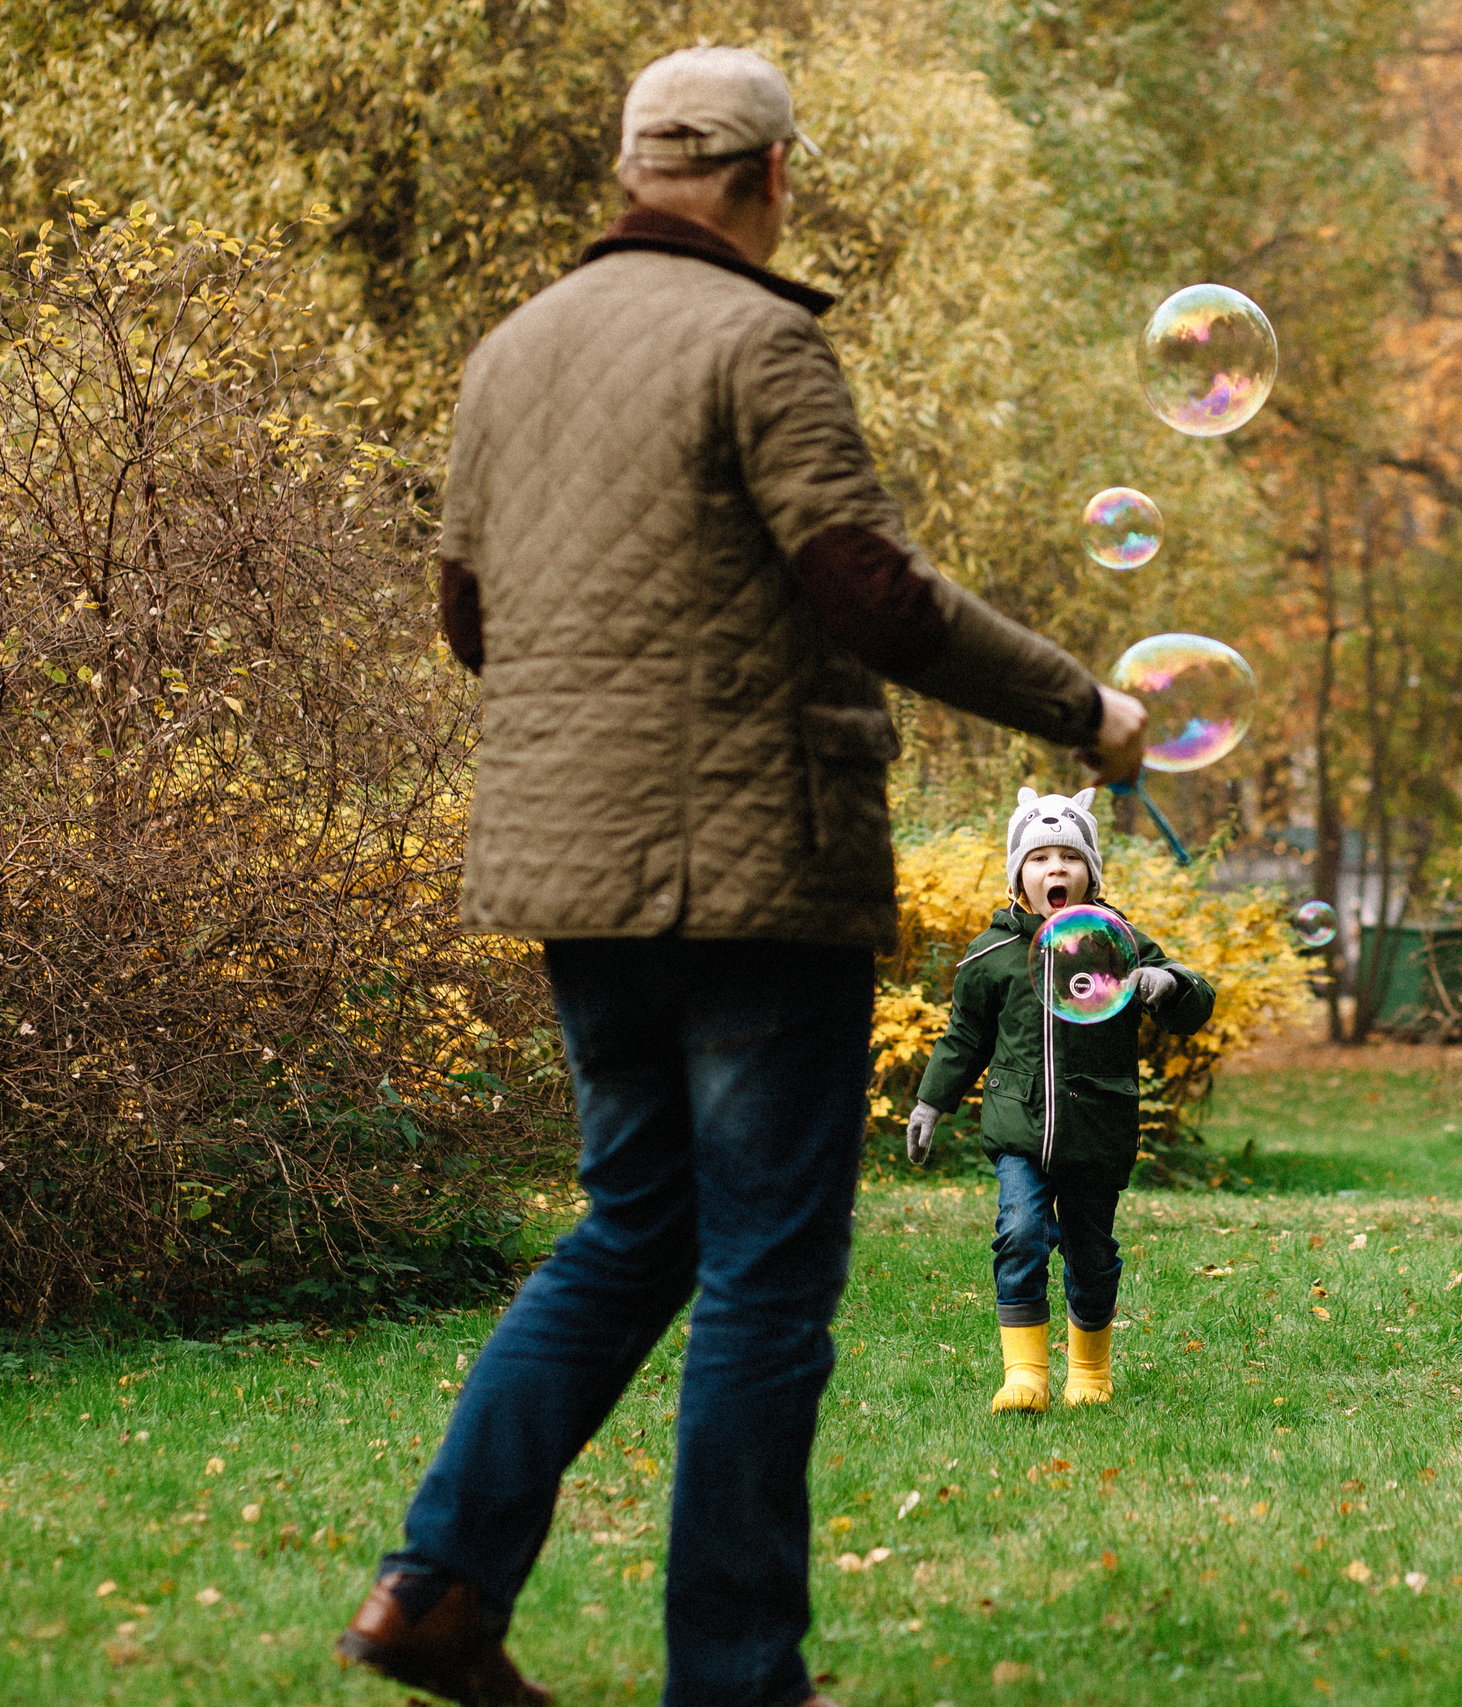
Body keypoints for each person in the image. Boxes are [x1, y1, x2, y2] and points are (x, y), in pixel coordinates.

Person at [332, 46, 1149, 1707]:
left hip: (579, 876)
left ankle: (437, 1588)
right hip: (754, 883)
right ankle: (738, 1678)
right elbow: (874, 595)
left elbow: (474, 626)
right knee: (763, 1275)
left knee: (632, 1226)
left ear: (637, 175)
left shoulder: (511, 354)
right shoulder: (759, 339)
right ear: (772, 180)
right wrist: (1088, 708)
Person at [902, 787, 1214, 1411]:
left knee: (1092, 1253)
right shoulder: (991, 954)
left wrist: (1166, 982)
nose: (1056, 870)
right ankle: (1025, 1376)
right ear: (1019, 874)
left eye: (1069, 860)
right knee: (1019, 1233)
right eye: (1040, 859)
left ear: (1090, 875)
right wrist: (931, 1102)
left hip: (1097, 1126)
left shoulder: (1116, 943)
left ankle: (1089, 1375)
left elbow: (1194, 1003)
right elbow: (965, 1036)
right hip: (1020, 1125)